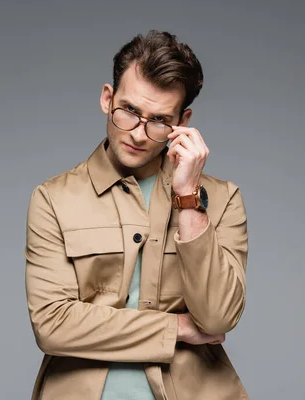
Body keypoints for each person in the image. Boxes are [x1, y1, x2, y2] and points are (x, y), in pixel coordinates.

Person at [24, 30, 249, 400]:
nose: (139, 134)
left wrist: (188, 198)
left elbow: (219, 318)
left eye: (159, 120)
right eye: (129, 111)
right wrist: (175, 328)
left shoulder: (222, 199)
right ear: (106, 98)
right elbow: (53, 324)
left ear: (183, 121)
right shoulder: (53, 199)